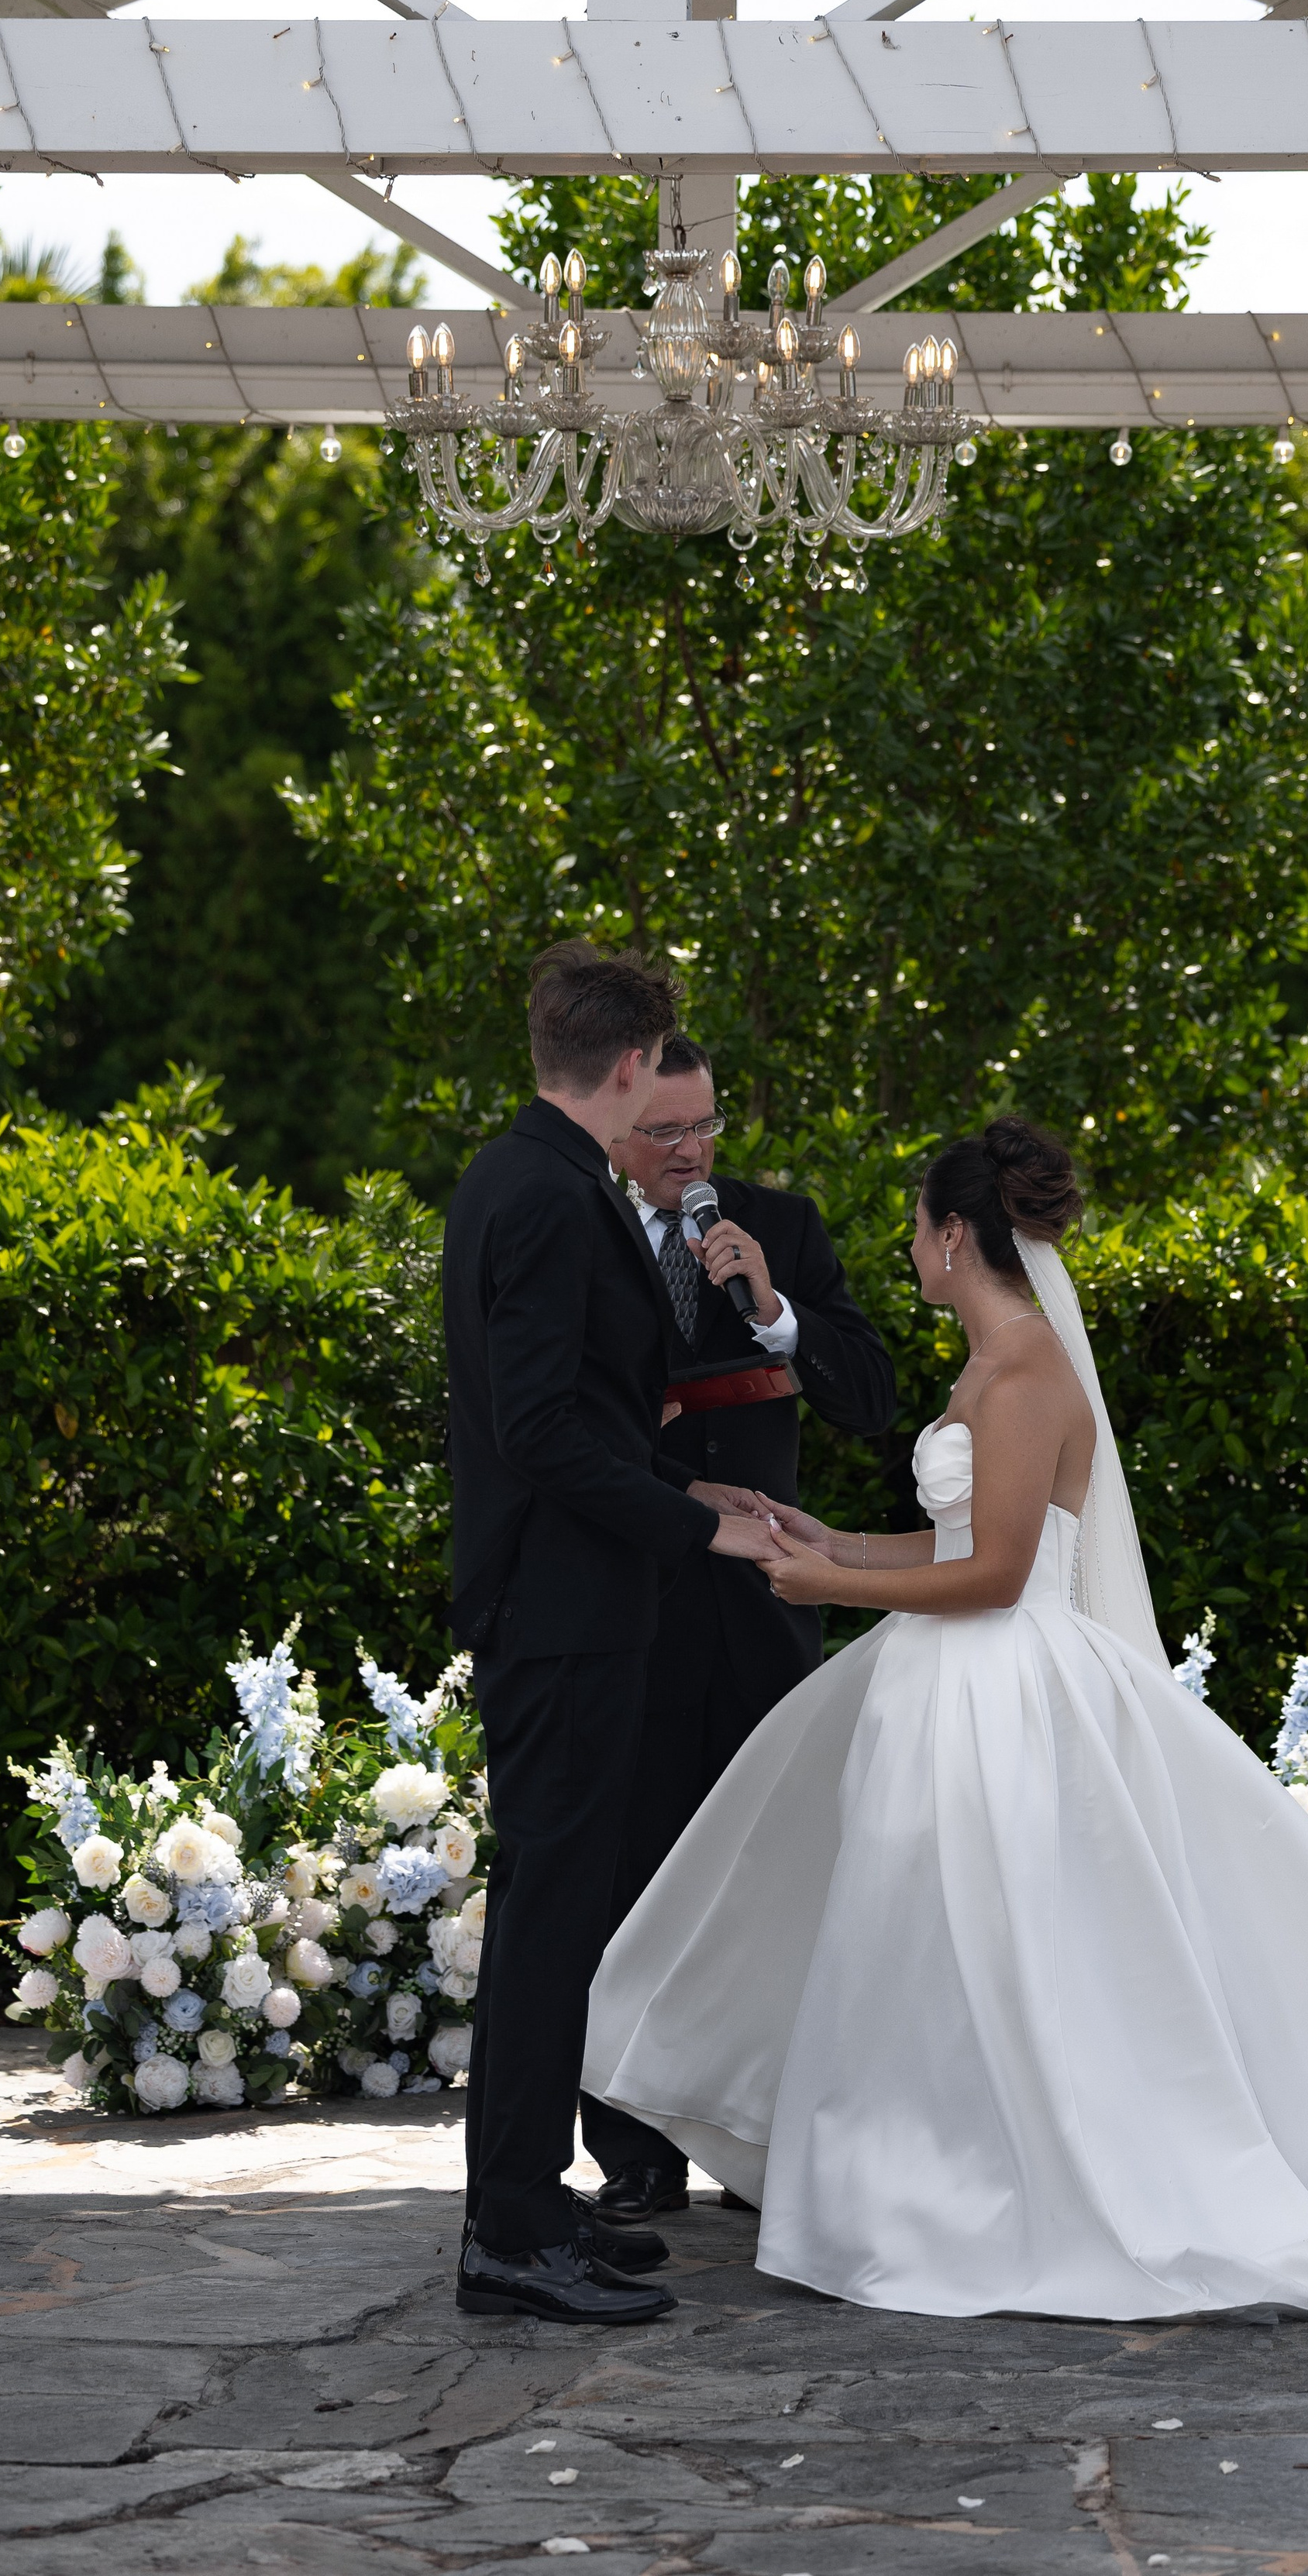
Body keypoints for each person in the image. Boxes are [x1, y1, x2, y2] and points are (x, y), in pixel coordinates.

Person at [583, 1116, 1308, 2330]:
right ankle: (913, 2177)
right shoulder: (987, 1364)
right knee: (921, 1944)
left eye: (917, 1231)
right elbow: (964, 1541)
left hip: (1008, 1690)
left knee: (993, 1943)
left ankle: (983, 2191)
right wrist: (832, 1539)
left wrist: (836, 1589)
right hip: (951, 1686)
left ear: (951, 1235)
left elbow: (1000, 1576)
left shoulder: (1027, 1368)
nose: (910, 1254)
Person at [440, 940, 781, 2327]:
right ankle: (511, 2227)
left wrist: (689, 1483)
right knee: (553, 1918)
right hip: (564, 1616)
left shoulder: (522, 1174)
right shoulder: (545, 1195)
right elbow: (538, 1436)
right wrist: (696, 1528)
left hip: (574, 1601)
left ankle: (524, 2200)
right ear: (634, 1063)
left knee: (558, 1911)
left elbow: (573, 1425)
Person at [581, 1034, 898, 2221]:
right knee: (637, 1870)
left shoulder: (781, 1225)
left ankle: (761, 2138)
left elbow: (872, 1399)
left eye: (706, 1126)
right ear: (618, 1126)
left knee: (772, 1878)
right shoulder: (583, 1223)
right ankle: (631, 2146)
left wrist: (774, 1308)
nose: (691, 1153)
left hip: (768, 1617)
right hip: (638, 1607)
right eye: (667, 1132)